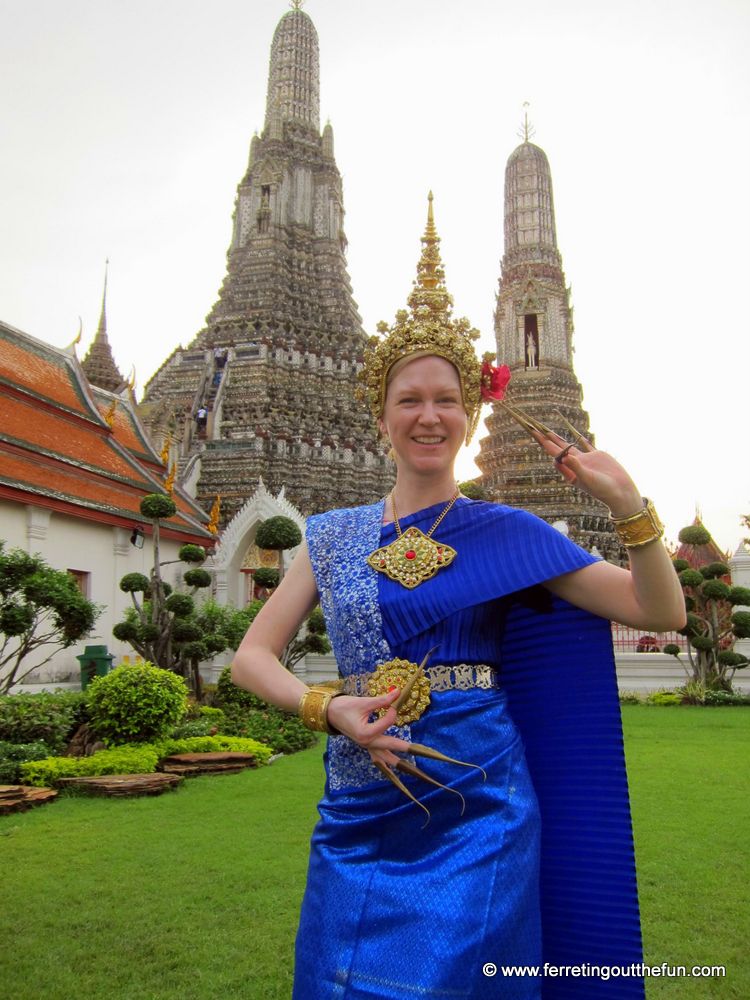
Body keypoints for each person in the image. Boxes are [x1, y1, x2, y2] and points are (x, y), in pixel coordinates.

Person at [231, 196, 685, 999]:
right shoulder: (332, 535)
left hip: (481, 801)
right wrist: (325, 707)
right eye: (409, 401)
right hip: (360, 797)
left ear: (471, 418)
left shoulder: (509, 532)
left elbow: (659, 612)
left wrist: (628, 507)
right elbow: (252, 659)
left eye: (446, 400)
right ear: (381, 417)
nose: (428, 415)